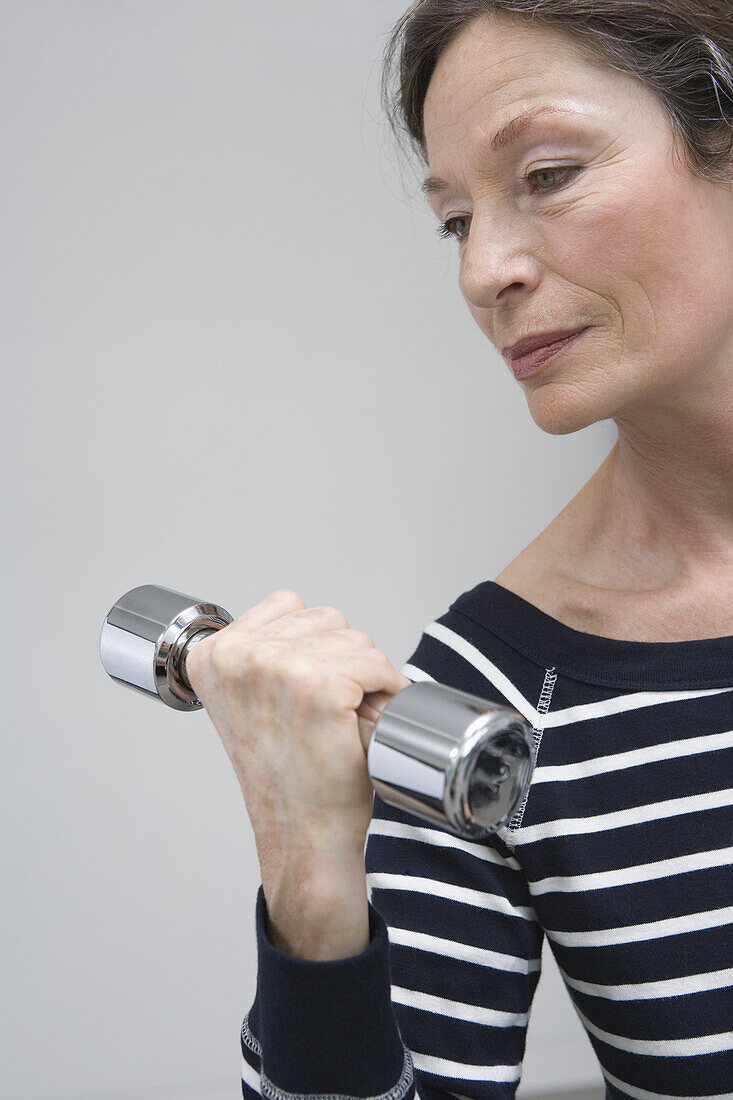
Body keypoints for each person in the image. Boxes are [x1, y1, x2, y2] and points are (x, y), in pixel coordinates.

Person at [185, 2, 733, 1097]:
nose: (484, 272)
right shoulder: (486, 705)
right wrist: (312, 880)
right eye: (452, 221)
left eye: (545, 174)